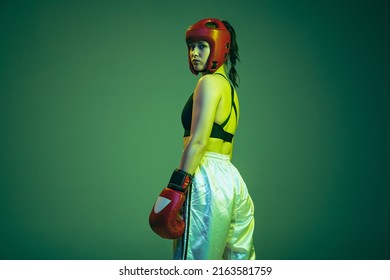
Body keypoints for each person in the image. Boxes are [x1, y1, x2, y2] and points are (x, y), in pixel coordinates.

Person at [149, 18, 255, 260]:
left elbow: (198, 142)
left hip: (204, 178)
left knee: (194, 263)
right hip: (231, 181)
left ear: (219, 47)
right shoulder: (229, 88)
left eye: (202, 46)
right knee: (238, 262)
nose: (194, 53)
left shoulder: (207, 83)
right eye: (191, 46)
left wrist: (176, 187)